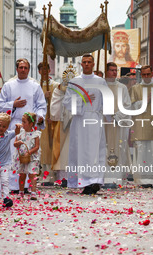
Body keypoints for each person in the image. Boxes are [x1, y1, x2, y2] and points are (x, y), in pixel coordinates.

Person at [0, 58, 46, 192]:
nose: (23, 70)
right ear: (17, 69)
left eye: (25, 68)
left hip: (30, 127)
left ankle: (28, 186)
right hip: (14, 124)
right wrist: (13, 104)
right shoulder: (9, 85)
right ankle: (13, 185)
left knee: (29, 155)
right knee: (13, 154)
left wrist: (39, 117)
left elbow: (41, 105)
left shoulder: (35, 86)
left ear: (29, 70)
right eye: (20, 67)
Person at [62, 54, 107, 194]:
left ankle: (95, 181)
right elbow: (67, 101)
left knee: (96, 152)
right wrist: (83, 100)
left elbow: (106, 100)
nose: (87, 64)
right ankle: (84, 182)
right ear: (81, 64)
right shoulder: (74, 81)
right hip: (80, 120)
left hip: (95, 119)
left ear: (93, 64)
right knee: (81, 151)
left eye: (89, 62)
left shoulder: (101, 81)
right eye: (84, 62)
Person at [129, 65, 153, 188]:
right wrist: (146, 100)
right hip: (140, 125)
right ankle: (142, 180)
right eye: (144, 75)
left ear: (152, 73)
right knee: (141, 153)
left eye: (148, 74)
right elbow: (132, 107)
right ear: (141, 74)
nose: (146, 77)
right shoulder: (135, 89)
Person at [104, 62, 132, 188]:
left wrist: (116, 116)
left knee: (118, 149)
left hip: (117, 123)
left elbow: (127, 105)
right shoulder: (102, 86)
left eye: (116, 70)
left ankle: (116, 178)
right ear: (106, 71)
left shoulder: (122, 88)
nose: (114, 73)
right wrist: (105, 114)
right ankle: (104, 178)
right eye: (111, 70)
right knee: (104, 149)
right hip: (104, 123)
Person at [0, 112, 21, 208]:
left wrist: (17, 128)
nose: (1, 128)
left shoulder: (8, 134)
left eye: (4, 126)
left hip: (5, 164)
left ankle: (6, 198)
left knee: (5, 181)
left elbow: (16, 132)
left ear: (7, 127)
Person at [38, 62, 60, 185]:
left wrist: (54, 115)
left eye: (46, 68)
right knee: (42, 147)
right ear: (39, 71)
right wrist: (43, 96)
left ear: (50, 69)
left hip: (51, 119)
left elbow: (58, 102)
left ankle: (53, 174)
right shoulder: (37, 86)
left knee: (52, 146)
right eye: (42, 69)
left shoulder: (55, 85)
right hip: (40, 120)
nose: (44, 71)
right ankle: (42, 174)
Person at [13, 112, 41, 200]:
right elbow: (15, 143)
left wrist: (29, 152)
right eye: (22, 122)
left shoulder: (36, 134)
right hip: (22, 156)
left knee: (32, 174)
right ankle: (21, 192)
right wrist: (18, 143)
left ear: (31, 124)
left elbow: (37, 146)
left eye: (24, 122)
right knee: (22, 175)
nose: (22, 124)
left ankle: (33, 192)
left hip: (32, 157)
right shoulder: (21, 133)